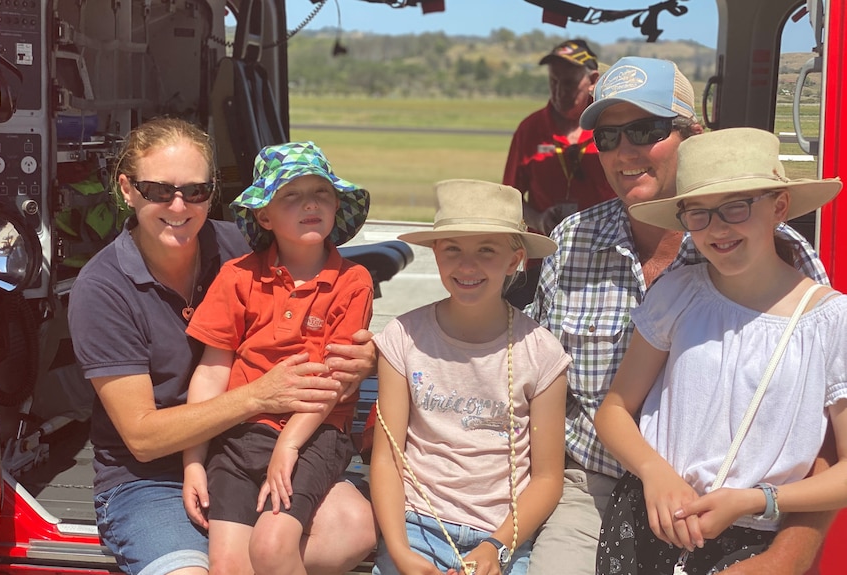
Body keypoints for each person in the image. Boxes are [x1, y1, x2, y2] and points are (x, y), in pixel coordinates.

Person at [525, 57, 837, 575]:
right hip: (592, 488)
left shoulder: (786, 259)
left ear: (691, 136)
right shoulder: (572, 240)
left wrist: (786, 556)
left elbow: (823, 431)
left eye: (645, 130)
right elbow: (532, 370)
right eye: (607, 137)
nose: (624, 152)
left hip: (736, 513)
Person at [68, 118, 376, 575]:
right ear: (128, 190)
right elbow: (144, 438)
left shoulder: (241, 248)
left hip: (252, 442)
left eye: (196, 191)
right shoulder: (102, 288)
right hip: (150, 477)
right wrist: (259, 396)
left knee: (352, 528)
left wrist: (365, 359)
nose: (180, 205)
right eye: (158, 190)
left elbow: (330, 320)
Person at [593, 127, 846, 574]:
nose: (717, 228)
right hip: (646, 519)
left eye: (736, 207)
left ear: (779, 207)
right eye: (699, 214)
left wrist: (758, 500)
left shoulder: (831, 322)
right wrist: (655, 473)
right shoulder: (677, 293)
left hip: (752, 541)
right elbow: (614, 409)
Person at [182, 141, 373, 575]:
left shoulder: (352, 281)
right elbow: (212, 371)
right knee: (228, 565)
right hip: (238, 432)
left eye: (322, 193)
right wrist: (193, 461)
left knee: (270, 547)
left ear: (337, 205)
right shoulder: (237, 276)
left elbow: (332, 380)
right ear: (264, 215)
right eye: (291, 195)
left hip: (313, 431)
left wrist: (287, 446)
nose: (310, 204)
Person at [370, 179, 569, 575]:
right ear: (436, 254)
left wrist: (497, 545)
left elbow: (547, 477)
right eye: (453, 249)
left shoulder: (541, 353)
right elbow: (387, 458)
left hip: (501, 536)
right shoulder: (403, 337)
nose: (467, 266)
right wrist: (400, 552)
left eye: (486, 251)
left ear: (515, 261)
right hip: (415, 529)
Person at [502, 39, 614, 308]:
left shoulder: (610, 125)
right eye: (553, 82)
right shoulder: (530, 129)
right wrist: (539, 219)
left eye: (568, 84)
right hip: (544, 259)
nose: (559, 92)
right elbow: (508, 198)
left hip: (605, 257)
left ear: (593, 81)